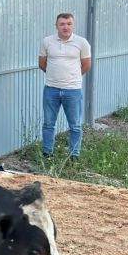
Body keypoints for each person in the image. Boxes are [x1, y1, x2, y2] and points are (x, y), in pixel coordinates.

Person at [39, 13, 91, 160]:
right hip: (51, 90)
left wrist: (72, 78)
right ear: (57, 26)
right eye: (62, 24)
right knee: (48, 124)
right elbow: (42, 63)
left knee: (75, 125)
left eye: (69, 23)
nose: (65, 27)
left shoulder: (82, 43)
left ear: (73, 25)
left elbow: (86, 65)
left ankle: (74, 155)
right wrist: (55, 76)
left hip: (73, 91)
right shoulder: (47, 41)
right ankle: (47, 153)